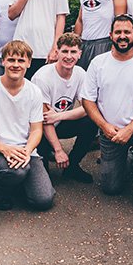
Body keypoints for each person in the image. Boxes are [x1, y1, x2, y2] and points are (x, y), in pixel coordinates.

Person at [81, 15, 133, 217]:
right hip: (110, 129)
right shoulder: (98, 63)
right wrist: (105, 127)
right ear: (111, 35)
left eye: (127, 32)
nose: (122, 36)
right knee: (111, 188)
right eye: (118, 32)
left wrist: (129, 130)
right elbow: (87, 101)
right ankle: (131, 157)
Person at [0, 40, 55, 211]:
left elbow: (37, 129)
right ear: (3, 61)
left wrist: (27, 150)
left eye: (21, 60)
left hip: (26, 150)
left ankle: (18, 183)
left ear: (29, 63)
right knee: (18, 172)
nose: (15, 65)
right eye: (11, 60)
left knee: (44, 200)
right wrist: (5, 149)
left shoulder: (34, 92)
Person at [32, 32, 97, 183]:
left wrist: (60, 116)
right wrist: (59, 150)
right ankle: (46, 156)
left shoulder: (80, 74)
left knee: (91, 121)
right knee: (43, 185)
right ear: (57, 52)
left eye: (73, 51)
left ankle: (72, 166)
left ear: (80, 54)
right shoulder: (43, 77)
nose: (69, 56)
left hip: (59, 122)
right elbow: (46, 119)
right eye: (65, 51)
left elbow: (88, 108)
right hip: (38, 129)